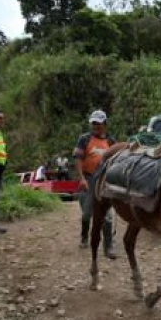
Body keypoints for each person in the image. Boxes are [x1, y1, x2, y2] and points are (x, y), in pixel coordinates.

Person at [74, 109, 115, 256]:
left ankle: (108, 246)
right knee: (86, 213)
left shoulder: (111, 141)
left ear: (105, 124)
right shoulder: (84, 139)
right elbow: (78, 158)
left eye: (99, 123)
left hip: (105, 180)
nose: (96, 126)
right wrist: (82, 179)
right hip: (89, 179)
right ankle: (84, 236)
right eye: (94, 123)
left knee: (107, 215)